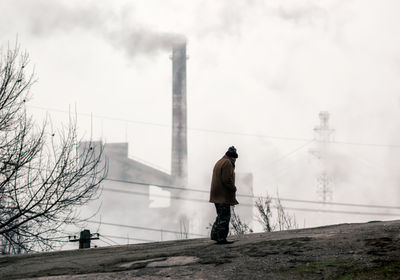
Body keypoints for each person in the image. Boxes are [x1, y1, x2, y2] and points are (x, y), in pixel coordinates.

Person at [209, 146, 239, 244]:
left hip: (216, 195)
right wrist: (233, 188)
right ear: (232, 157)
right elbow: (227, 180)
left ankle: (215, 235)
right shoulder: (227, 163)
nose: (235, 160)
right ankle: (221, 238)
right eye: (235, 158)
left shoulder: (220, 161)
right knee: (225, 217)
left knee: (220, 216)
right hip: (223, 195)